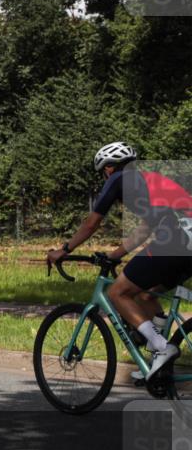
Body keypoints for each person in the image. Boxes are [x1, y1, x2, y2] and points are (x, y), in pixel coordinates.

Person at [46, 142, 192, 380]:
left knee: (117, 293)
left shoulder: (119, 179)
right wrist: (115, 256)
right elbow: (145, 230)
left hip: (176, 240)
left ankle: (162, 348)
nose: (105, 177)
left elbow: (92, 222)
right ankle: (159, 364)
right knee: (147, 295)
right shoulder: (148, 180)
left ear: (110, 167)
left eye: (104, 171)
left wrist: (64, 249)